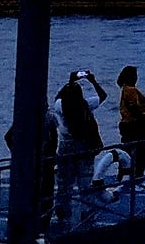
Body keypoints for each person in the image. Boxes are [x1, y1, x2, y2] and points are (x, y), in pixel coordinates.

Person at [52, 70, 107, 227]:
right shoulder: (85, 105)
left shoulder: (60, 105)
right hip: (84, 146)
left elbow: (57, 97)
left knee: (64, 183)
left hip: (65, 146)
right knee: (85, 181)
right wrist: (93, 80)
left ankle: (62, 213)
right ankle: (86, 211)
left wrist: (70, 82)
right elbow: (103, 96)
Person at [4, 99, 59, 233]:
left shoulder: (24, 118)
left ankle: (29, 224)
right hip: (45, 163)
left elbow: (8, 137)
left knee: (31, 194)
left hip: (29, 163)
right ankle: (42, 225)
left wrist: (18, 154)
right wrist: (51, 156)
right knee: (46, 195)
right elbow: (54, 140)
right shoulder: (50, 118)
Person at [116, 65, 145, 179]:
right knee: (140, 153)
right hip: (134, 125)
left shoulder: (125, 89)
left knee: (127, 151)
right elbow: (133, 108)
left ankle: (123, 175)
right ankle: (137, 177)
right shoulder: (131, 90)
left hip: (127, 125)